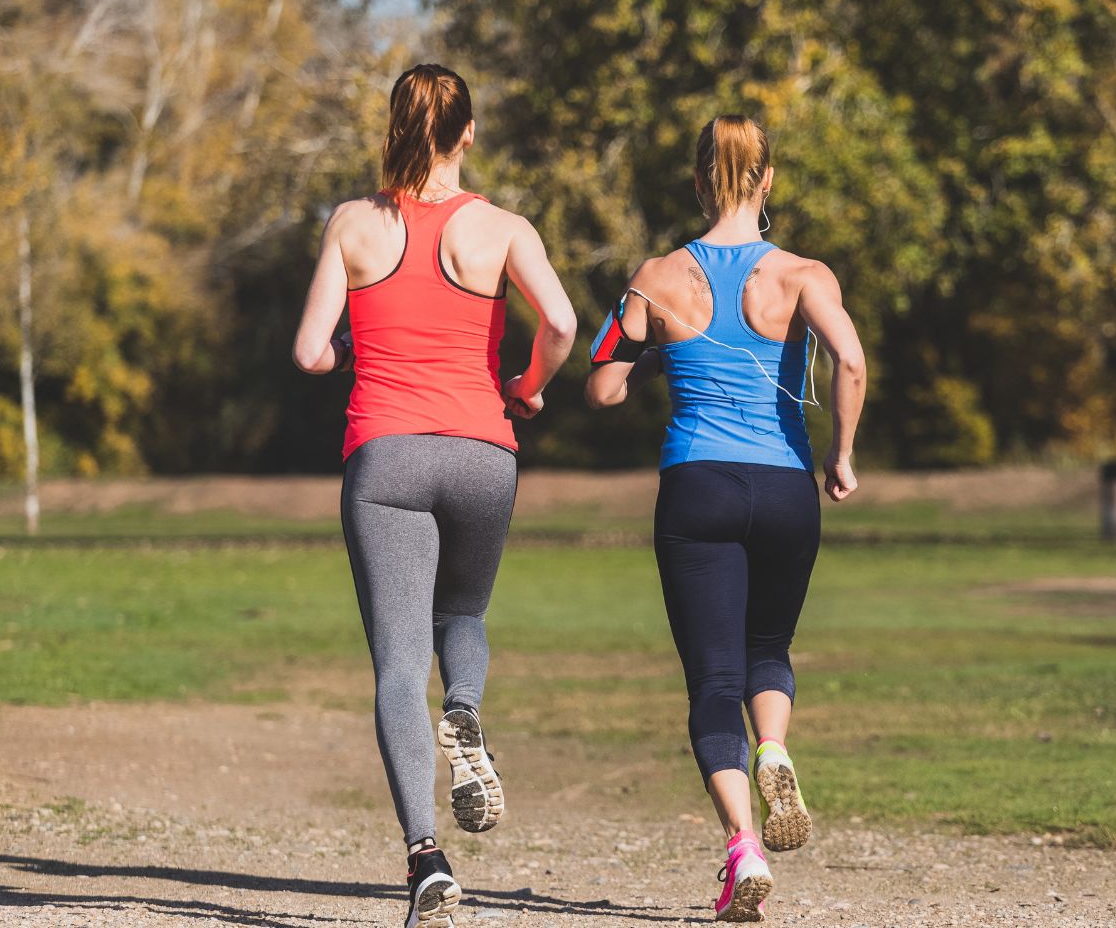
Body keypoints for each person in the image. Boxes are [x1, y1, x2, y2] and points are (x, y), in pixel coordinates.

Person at [292, 64, 576, 928]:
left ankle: (425, 862)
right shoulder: (501, 228)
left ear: (394, 129)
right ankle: (466, 713)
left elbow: (309, 352)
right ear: (469, 132)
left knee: (394, 664)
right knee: (464, 618)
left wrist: (352, 349)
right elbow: (562, 324)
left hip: (386, 458)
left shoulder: (353, 224)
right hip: (483, 450)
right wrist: (525, 385)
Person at [585, 114, 867, 922]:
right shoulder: (806, 274)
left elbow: (603, 386)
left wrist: (647, 350)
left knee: (711, 681)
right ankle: (775, 748)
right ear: (767, 179)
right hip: (784, 489)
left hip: (697, 486)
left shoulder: (656, 276)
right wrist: (841, 455)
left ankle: (743, 847)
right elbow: (849, 358)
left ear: (700, 179)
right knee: (768, 650)